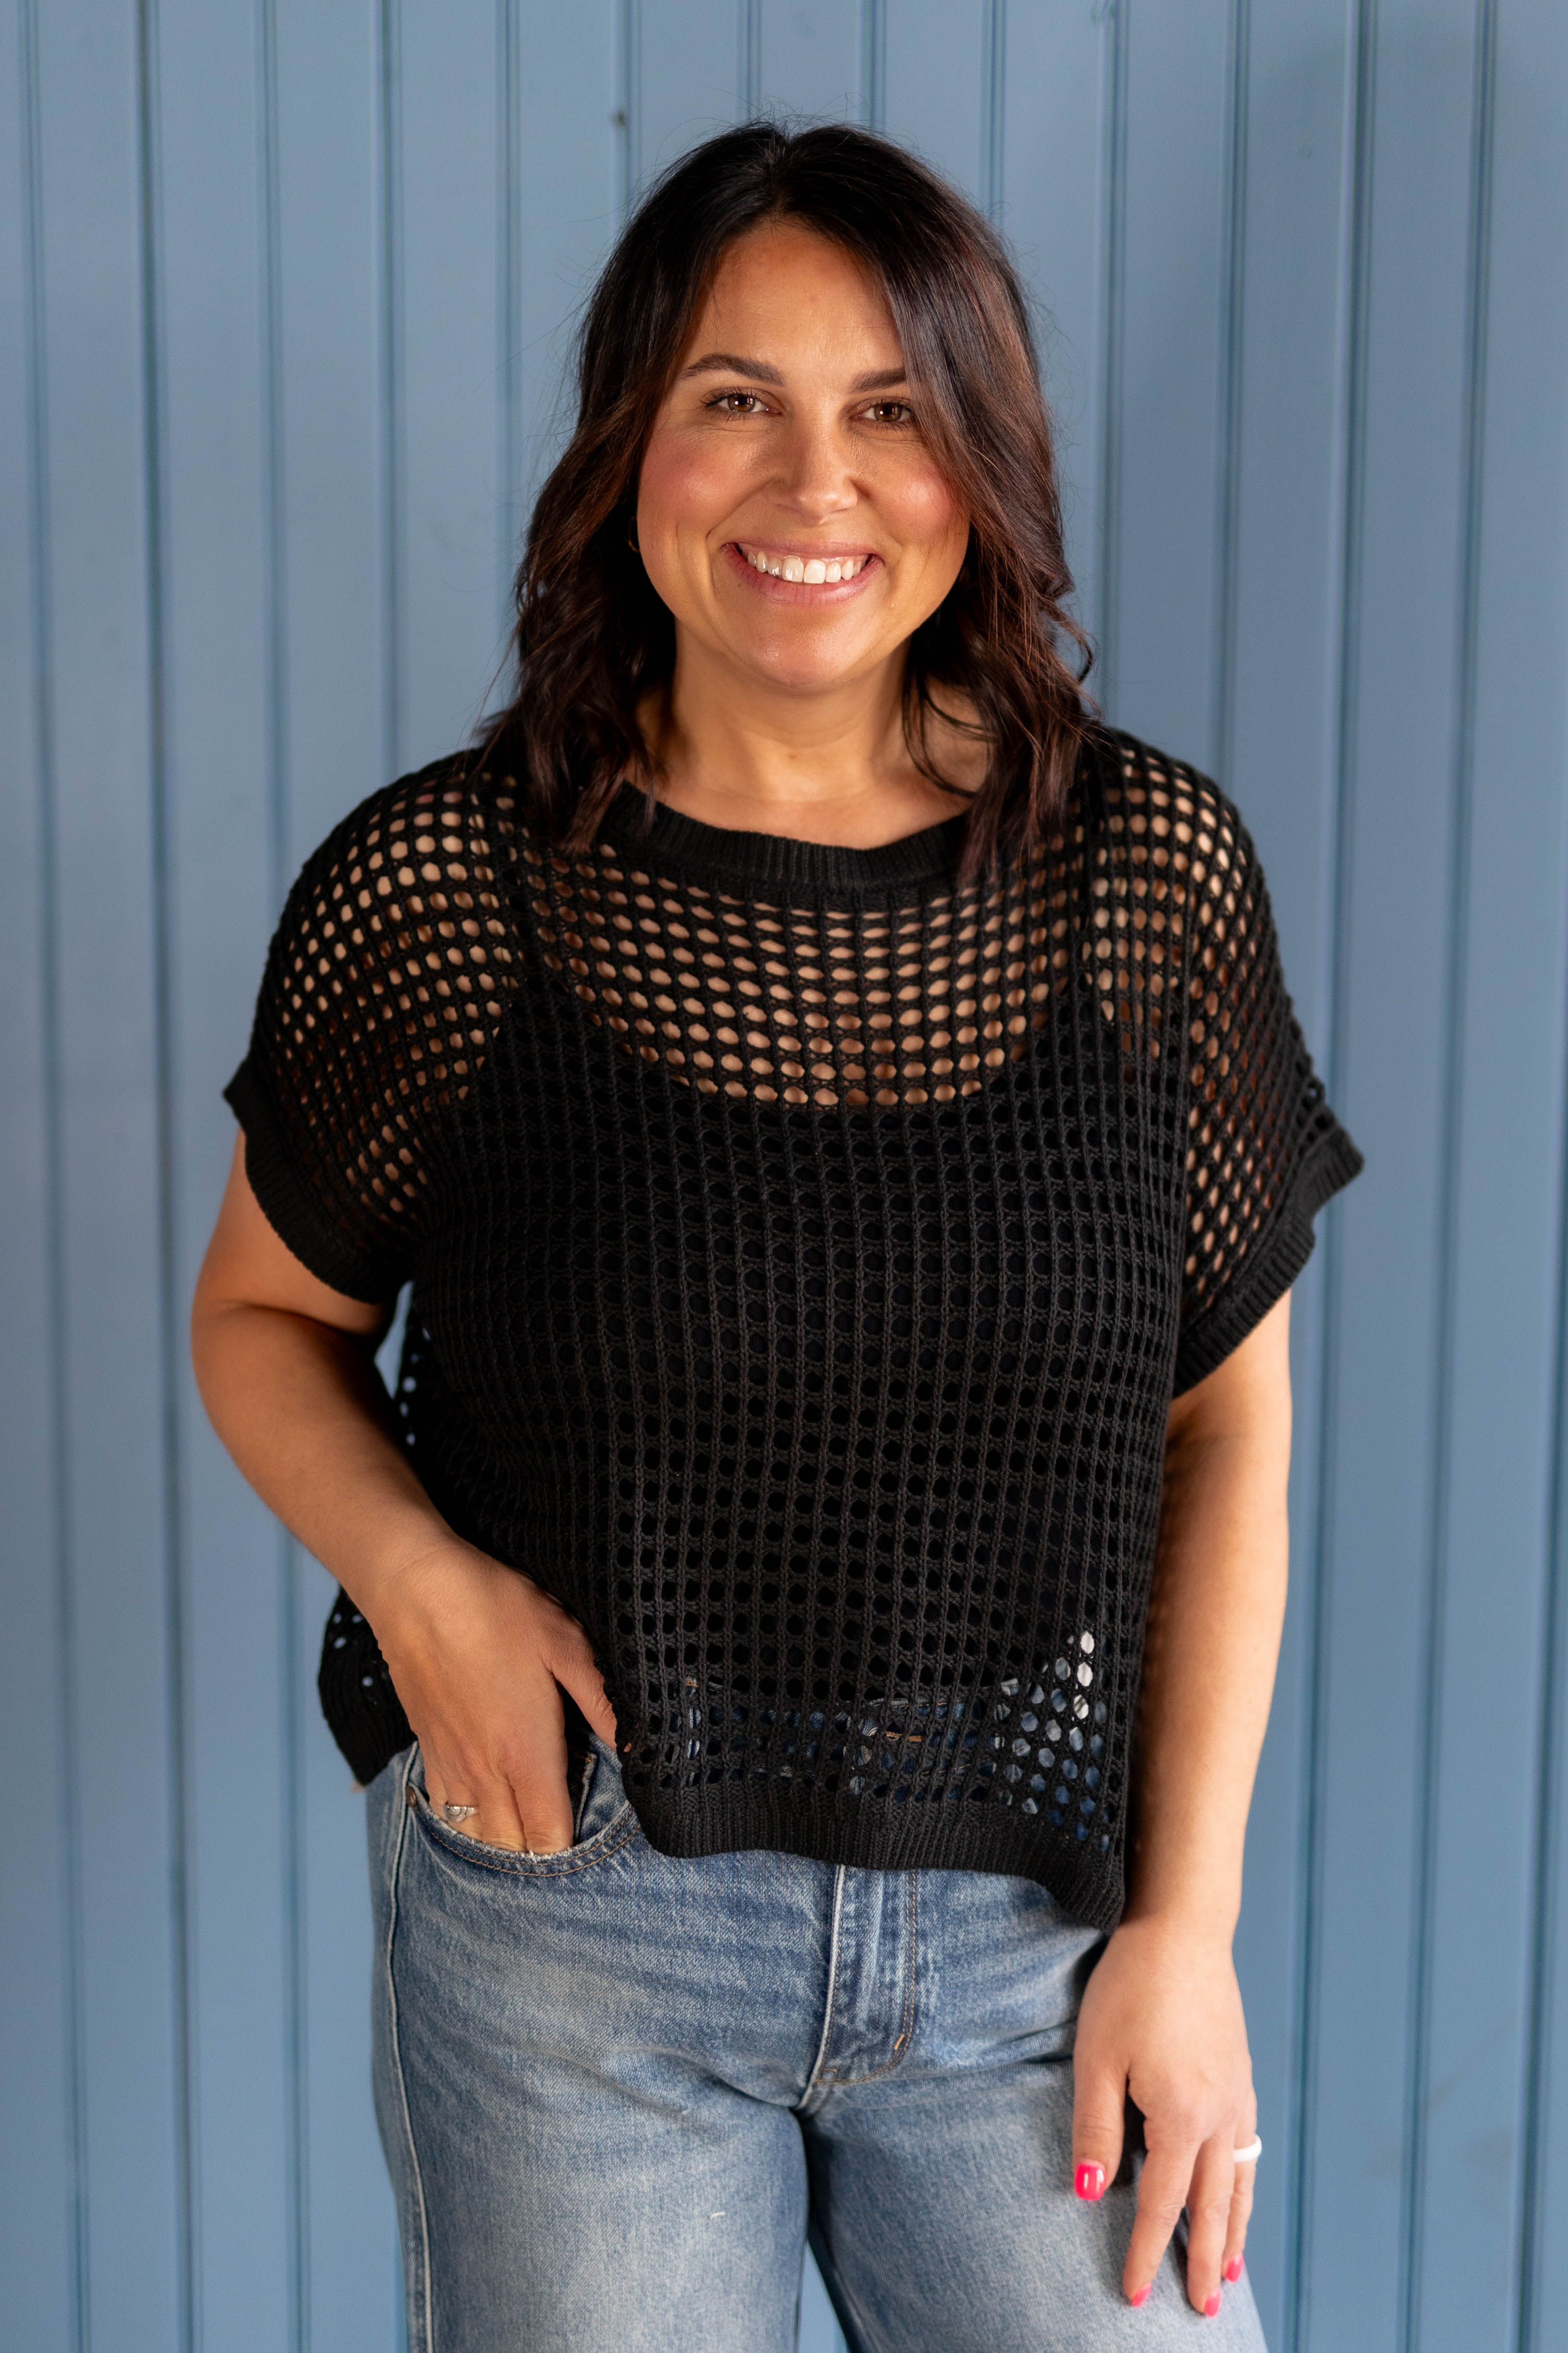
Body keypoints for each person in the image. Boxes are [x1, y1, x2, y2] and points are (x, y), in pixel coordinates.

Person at [192, 122, 1361, 2352]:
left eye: (890, 409)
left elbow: (1226, 1434)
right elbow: (259, 1315)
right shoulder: (447, 889)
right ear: (628, 442)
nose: (814, 483)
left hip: (1035, 1931)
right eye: (735, 398)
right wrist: (417, 1577)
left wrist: (1187, 1930)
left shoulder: (1146, 877)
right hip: (578, 1923)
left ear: (977, 465)